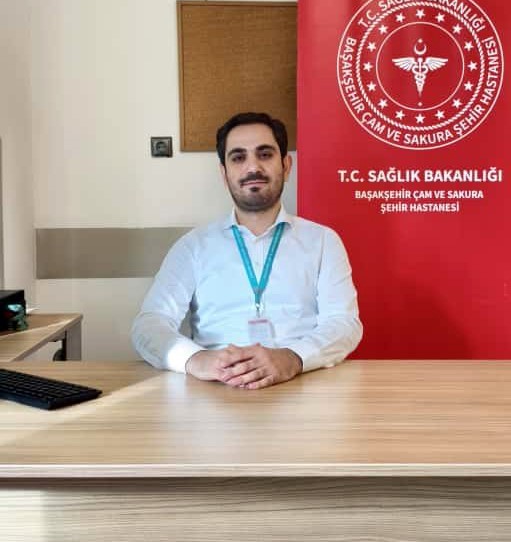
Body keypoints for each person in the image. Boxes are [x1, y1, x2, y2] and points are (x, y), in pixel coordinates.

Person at [132, 112, 362, 389]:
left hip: (303, 384)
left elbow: (344, 324)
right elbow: (149, 325)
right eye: (238, 157)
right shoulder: (193, 246)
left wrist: (293, 358)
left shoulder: (323, 241)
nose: (253, 167)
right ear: (224, 173)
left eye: (264, 154)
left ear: (286, 166)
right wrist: (196, 359)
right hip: (215, 388)